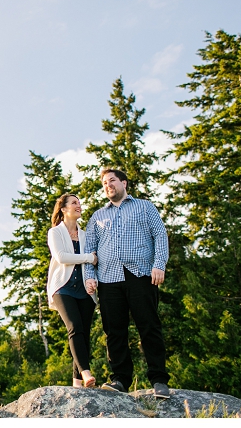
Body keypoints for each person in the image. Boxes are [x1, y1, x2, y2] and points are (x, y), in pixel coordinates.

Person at [84, 168, 170, 399]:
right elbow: (88, 250)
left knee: (149, 326)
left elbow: (160, 235)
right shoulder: (98, 216)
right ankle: (120, 379)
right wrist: (89, 275)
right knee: (114, 332)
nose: (108, 185)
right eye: (104, 183)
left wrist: (159, 264)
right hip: (109, 279)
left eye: (112, 180)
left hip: (141, 275)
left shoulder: (145, 207)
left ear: (123, 183)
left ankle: (159, 380)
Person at [46, 193, 99, 388]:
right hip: (63, 288)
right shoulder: (55, 233)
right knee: (74, 326)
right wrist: (88, 257)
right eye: (74, 203)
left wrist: (94, 281)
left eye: (80, 202)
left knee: (84, 333)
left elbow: (96, 262)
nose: (79, 205)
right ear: (63, 209)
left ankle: (78, 383)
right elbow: (61, 257)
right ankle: (86, 371)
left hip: (85, 290)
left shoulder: (86, 235)